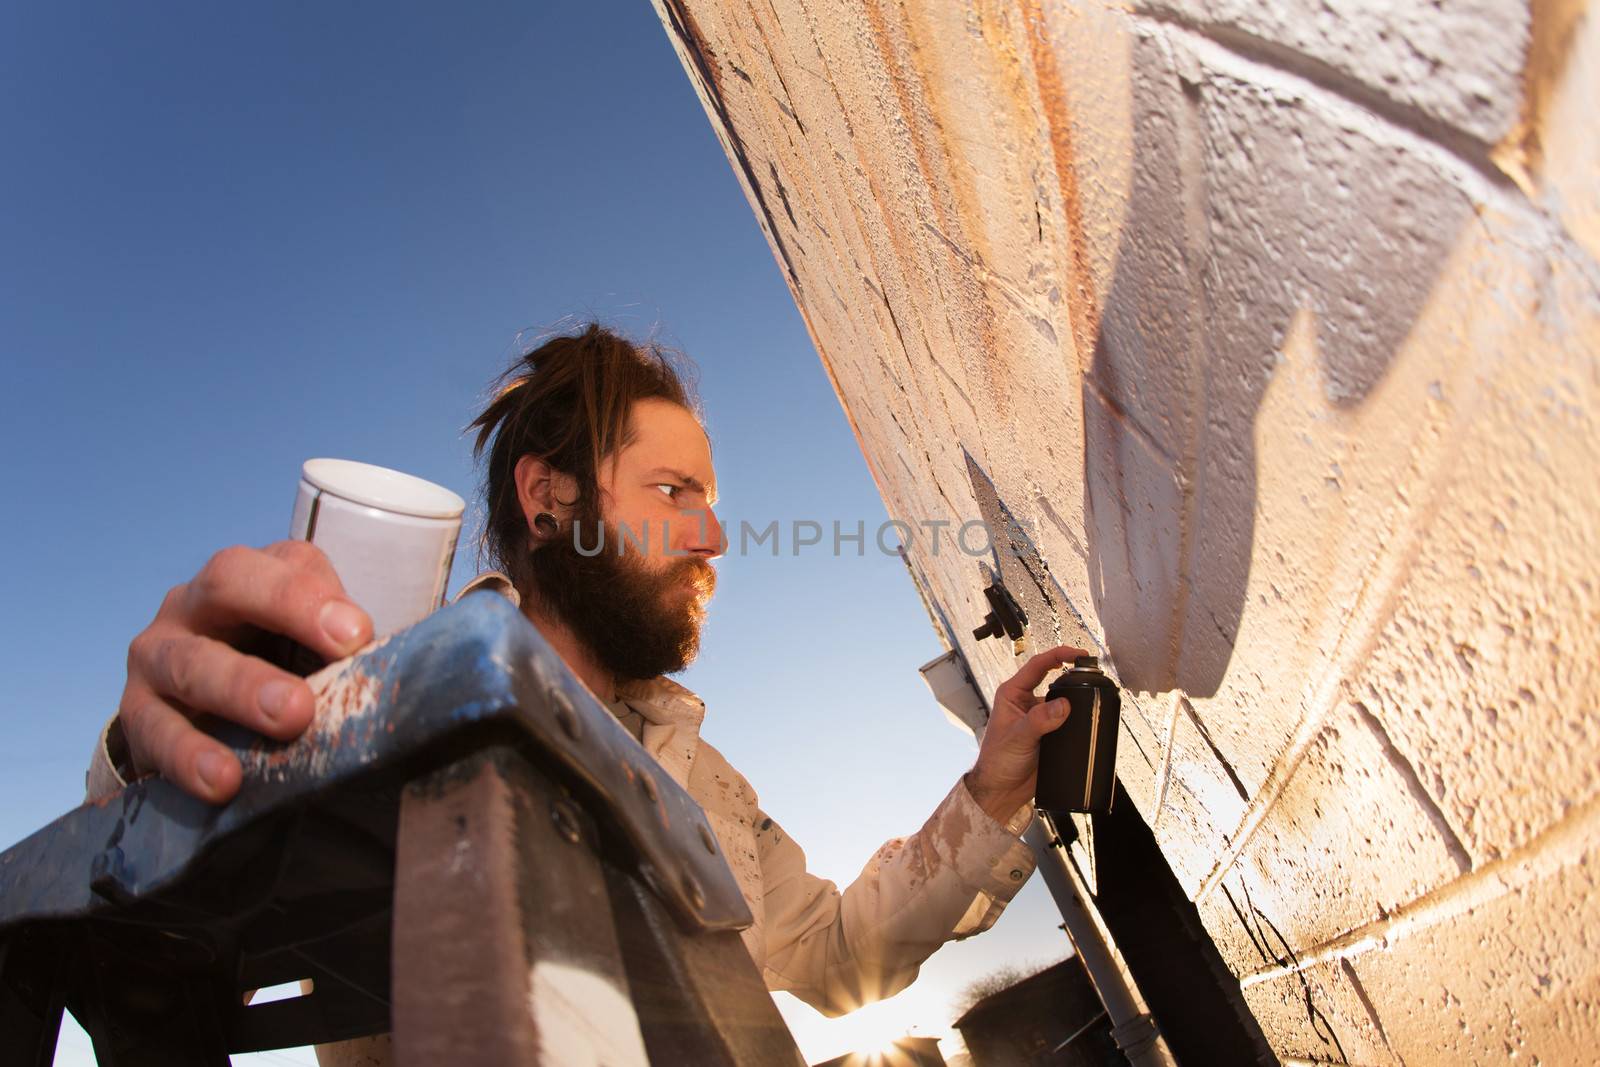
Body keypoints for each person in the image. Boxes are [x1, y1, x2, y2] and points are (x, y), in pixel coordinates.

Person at [85, 323, 1084, 1064]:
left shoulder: (707, 779)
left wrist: (993, 787)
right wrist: (147, 743)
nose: (712, 536)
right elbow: (159, 872)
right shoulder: (388, 708)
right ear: (549, 496)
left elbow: (832, 953)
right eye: (671, 492)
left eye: (710, 502)